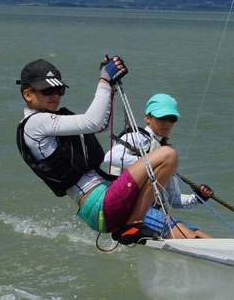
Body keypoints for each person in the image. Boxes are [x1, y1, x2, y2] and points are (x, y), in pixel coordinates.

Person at [14, 56, 197, 240]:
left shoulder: (47, 122)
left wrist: (111, 87)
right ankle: (134, 225)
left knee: (196, 235)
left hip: (104, 202)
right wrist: (103, 80)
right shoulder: (35, 123)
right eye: (47, 91)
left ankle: (137, 225)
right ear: (27, 94)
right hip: (100, 205)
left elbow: (102, 125)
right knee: (168, 154)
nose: (55, 95)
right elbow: (92, 122)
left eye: (59, 90)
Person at [101, 92, 214, 239]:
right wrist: (150, 162)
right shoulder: (137, 136)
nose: (167, 123)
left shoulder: (164, 152)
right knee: (193, 239)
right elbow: (110, 157)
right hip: (131, 209)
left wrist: (198, 197)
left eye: (172, 119)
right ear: (148, 118)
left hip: (152, 211)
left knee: (206, 238)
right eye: (162, 117)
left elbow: (174, 199)